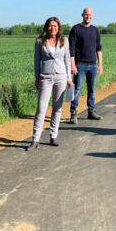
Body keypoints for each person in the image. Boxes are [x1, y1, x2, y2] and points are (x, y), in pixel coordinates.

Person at [27, 17, 74, 151]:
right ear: (46, 27)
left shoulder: (64, 41)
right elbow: (37, 62)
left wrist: (69, 79)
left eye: (55, 26)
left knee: (57, 108)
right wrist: (37, 79)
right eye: (50, 26)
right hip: (45, 77)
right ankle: (35, 139)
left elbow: (67, 60)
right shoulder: (40, 41)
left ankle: (53, 136)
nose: (52, 28)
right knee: (41, 108)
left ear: (58, 28)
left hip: (61, 76)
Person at [68, 7, 103, 124]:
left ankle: (91, 111)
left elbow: (98, 48)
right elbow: (71, 48)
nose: (88, 16)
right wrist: (72, 65)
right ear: (82, 15)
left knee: (92, 90)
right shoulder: (76, 29)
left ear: (92, 16)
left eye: (90, 14)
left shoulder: (95, 30)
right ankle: (73, 113)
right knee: (76, 90)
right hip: (80, 64)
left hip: (92, 65)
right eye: (86, 14)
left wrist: (100, 64)